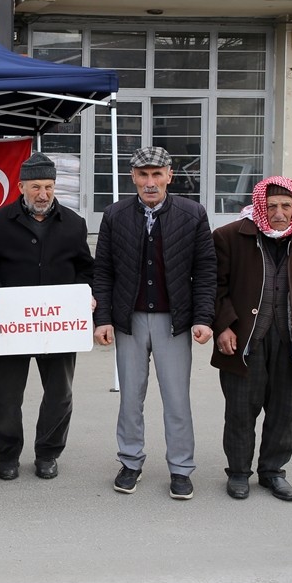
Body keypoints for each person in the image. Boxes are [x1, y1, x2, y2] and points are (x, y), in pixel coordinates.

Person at [92, 146, 216, 500]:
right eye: (143, 175)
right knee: (130, 397)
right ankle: (130, 462)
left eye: (156, 174)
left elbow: (206, 271)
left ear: (169, 176)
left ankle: (181, 468)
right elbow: (103, 271)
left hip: (173, 321)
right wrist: (103, 319)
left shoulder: (192, 214)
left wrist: (203, 317)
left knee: (177, 399)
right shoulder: (115, 215)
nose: (150, 182)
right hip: (128, 320)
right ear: (133, 177)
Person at [211, 176, 292, 502]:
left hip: (291, 342)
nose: (279, 213)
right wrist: (224, 326)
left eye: (286, 206)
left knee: (285, 412)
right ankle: (239, 473)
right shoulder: (229, 237)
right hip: (244, 343)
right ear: (259, 206)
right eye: (271, 206)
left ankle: (272, 472)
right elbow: (215, 289)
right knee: (240, 411)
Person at [0, 152, 95, 481]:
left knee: (60, 393)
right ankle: (8, 455)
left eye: (48, 186)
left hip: (58, 327)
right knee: (5, 395)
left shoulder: (74, 224)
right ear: (21, 187)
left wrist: (85, 296)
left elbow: (87, 270)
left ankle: (48, 453)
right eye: (35, 187)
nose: (43, 194)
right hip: (11, 326)